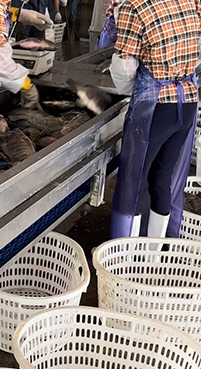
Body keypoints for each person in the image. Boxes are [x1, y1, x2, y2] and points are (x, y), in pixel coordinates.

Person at [109, 0, 201, 240]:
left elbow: (124, 66)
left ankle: (127, 253)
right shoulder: (190, 1)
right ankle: (154, 252)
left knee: (136, 181)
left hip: (155, 108)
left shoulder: (135, 7)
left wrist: (134, 88)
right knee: (162, 178)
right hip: (188, 101)